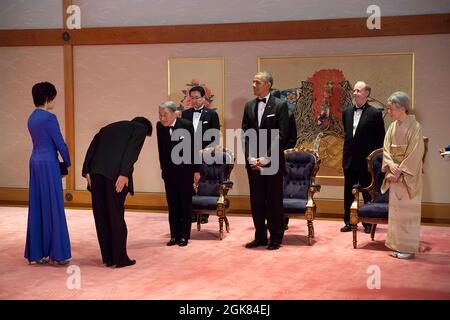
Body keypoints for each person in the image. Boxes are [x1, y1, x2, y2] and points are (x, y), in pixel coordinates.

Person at [82, 117, 152, 268]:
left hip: (95, 174)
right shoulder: (140, 128)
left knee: (101, 216)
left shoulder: (109, 127)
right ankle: (120, 258)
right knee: (116, 216)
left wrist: (86, 170)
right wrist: (124, 174)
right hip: (115, 177)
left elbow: (93, 145)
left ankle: (108, 258)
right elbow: (132, 151)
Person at [25, 81, 71, 265]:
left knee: (37, 205)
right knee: (54, 206)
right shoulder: (49, 118)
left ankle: (36, 253)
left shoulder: (31, 117)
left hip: (35, 161)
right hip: (48, 163)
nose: (54, 101)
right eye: (53, 98)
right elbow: (60, 143)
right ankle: (58, 254)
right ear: (47, 98)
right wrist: (67, 162)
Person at [242, 71, 289, 250]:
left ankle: (276, 236)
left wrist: (267, 157)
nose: (254, 85)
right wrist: (250, 156)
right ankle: (260, 235)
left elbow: (282, 135)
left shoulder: (280, 105)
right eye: (253, 82)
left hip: (273, 162)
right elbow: (245, 134)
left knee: (274, 199)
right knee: (257, 200)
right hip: (254, 163)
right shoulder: (248, 106)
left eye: (257, 82)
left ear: (268, 84)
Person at [381, 92, 424, 260]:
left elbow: (415, 153)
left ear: (403, 108)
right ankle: (398, 246)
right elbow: (386, 149)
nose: (389, 112)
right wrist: (391, 166)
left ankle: (407, 247)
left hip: (407, 177)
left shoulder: (416, 127)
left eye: (391, 109)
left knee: (407, 214)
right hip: (395, 175)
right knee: (397, 213)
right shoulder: (392, 127)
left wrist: (399, 170)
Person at [341, 81, 385, 233]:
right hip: (349, 160)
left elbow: (380, 139)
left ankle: (368, 222)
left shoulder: (375, 114)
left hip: (366, 162)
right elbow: (348, 137)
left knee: (367, 191)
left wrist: (374, 161)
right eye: (354, 90)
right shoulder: (346, 112)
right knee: (348, 192)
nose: (355, 93)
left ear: (367, 94)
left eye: (359, 91)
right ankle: (348, 221)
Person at [157, 101, 201, 247]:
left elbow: (194, 148)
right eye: (160, 115)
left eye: (165, 115)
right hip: (169, 173)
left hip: (185, 172)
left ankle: (184, 235)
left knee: (184, 204)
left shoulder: (186, 125)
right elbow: (161, 151)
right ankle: (174, 235)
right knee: (173, 205)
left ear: (175, 113)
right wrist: (163, 170)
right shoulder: (159, 127)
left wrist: (196, 170)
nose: (162, 118)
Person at [182, 85, 220, 224]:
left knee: (203, 182)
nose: (194, 100)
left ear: (204, 98)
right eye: (191, 98)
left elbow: (215, 136)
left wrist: (207, 151)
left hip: (205, 153)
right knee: (188, 182)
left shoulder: (211, 114)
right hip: (188, 153)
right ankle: (191, 212)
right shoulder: (185, 114)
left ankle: (204, 213)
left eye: (197, 98)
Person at [272, 89, 297, 230]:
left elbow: (293, 138)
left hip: (283, 158)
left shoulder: (289, 115)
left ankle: (283, 220)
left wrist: (280, 151)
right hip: (267, 158)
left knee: (282, 189)